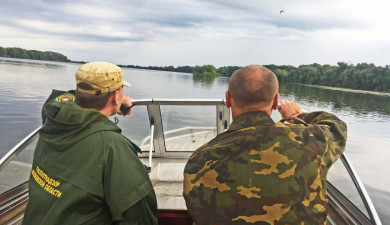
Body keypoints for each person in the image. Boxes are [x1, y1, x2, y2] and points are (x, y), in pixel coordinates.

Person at [183, 65, 347, 225]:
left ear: (227, 99)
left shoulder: (198, 161)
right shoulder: (309, 142)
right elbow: (336, 127)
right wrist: (297, 115)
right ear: (276, 101)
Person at [23, 62, 158, 225]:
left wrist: (113, 105)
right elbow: (140, 216)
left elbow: (66, 98)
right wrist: (117, 104)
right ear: (115, 97)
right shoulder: (112, 146)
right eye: (120, 92)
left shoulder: (53, 113)